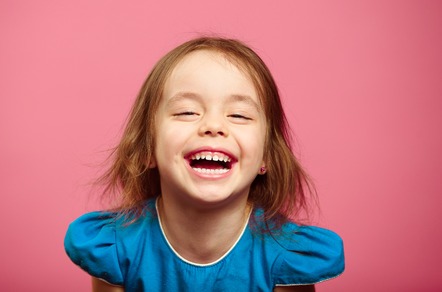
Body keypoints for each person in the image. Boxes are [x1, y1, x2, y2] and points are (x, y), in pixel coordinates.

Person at [64, 36, 345, 292]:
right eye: (187, 112)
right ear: (147, 149)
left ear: (266, 157)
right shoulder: (115, 249)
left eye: (239, 115)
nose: (213, 125)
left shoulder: (285, 258)